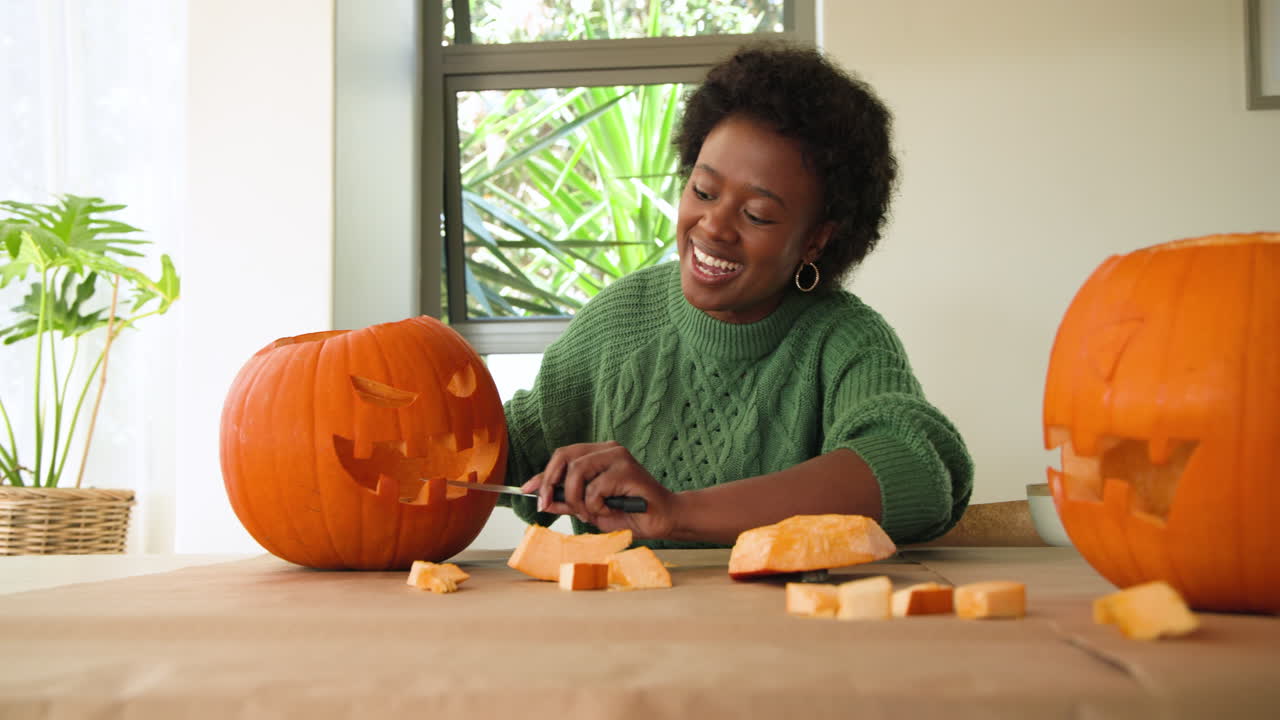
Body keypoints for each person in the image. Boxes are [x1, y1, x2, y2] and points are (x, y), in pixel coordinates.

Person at [498, 42, 973, 548]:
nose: (714, 226)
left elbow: (915, 469)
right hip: (625, 625)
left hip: (785, 626)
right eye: (703, 192)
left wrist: (678, 511)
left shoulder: (843, 341)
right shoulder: (620, 322)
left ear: (816, 240)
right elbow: (501, 450)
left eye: (758, 216)